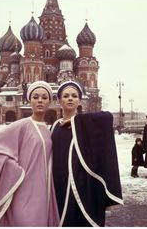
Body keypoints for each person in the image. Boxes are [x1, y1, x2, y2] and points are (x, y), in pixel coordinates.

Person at [0, 81, 59, 227]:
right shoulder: (22, 125)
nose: (40, 100)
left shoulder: (49, 130)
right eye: (35, 97)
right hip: (23, 191)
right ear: (29, 100)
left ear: (50, 100)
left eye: (44, 97)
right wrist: (15, 170)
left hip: (44, 192)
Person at [51, 80, 123, 227]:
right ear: (59, 101)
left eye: (74, 95)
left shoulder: (86, 123)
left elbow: (106, 117)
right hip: (59, 184)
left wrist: (76, 121)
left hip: (84, 184)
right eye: (66, 96)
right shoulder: (55, 127)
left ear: (79, 101)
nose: (70, 98)